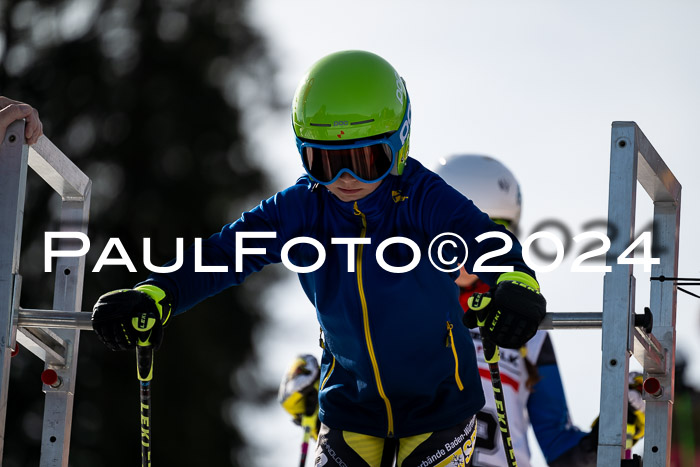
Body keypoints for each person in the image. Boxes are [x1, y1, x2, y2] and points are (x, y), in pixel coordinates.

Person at [91, 50, 547, 467]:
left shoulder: (423, 197)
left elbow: (486, 241)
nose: (345, 179)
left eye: (367, 160)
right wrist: (157, 293)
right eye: (323, 162)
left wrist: (517, 281)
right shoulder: (303, 207)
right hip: (350, 406)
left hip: (440, 408)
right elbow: (224, 254)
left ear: (400, 142)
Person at [435, 154, 645, 466]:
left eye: (491, 236)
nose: (474, 250)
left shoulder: (526, 333)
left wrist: (622, 422)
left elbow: (561, 448)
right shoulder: (407, 316)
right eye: (457, 236)